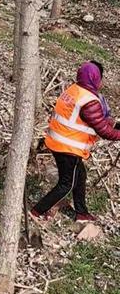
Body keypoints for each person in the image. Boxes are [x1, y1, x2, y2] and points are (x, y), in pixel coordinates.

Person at [31, 61, 120, 223]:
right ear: (96, 78)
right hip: (68, 147)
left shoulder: (73, 90)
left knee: (80, 176)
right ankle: (37, 210)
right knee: (67, 184)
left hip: (57, 141)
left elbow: (93, 120)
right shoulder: (89, 100)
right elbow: (103, 130)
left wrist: (113, 124)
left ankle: (81, 212)